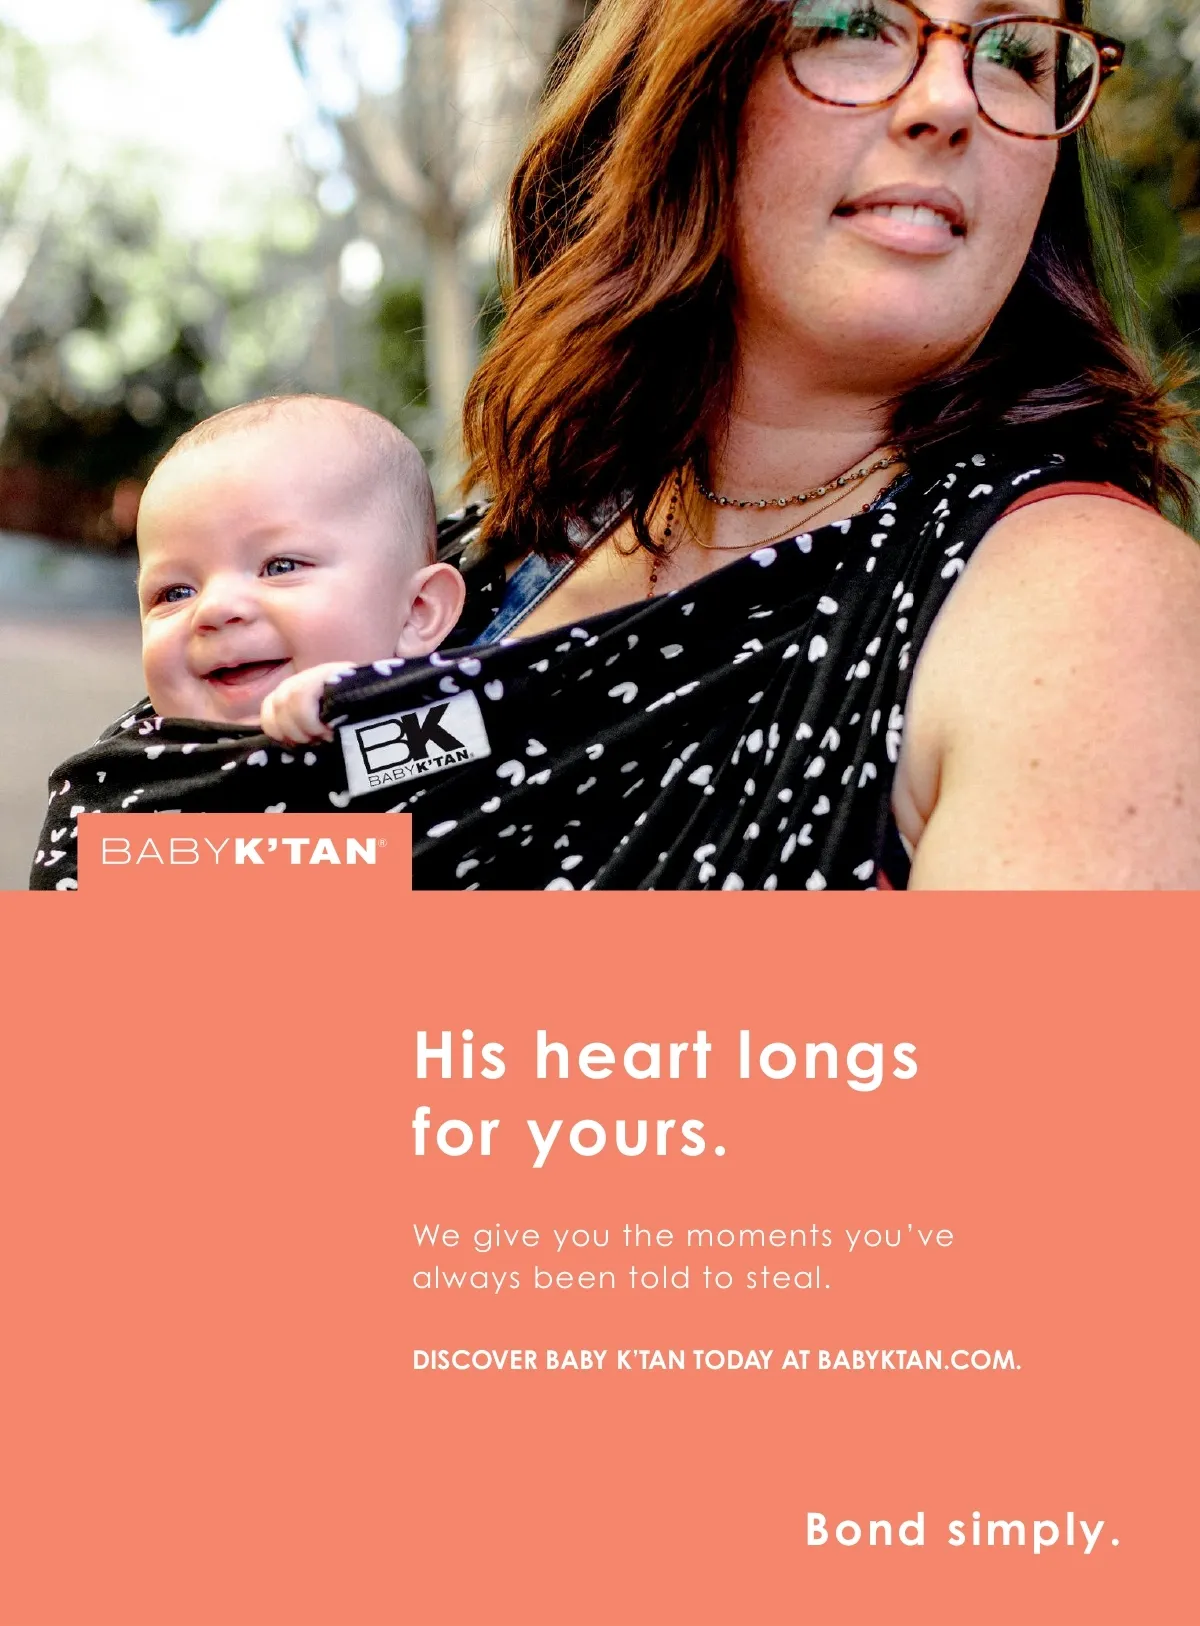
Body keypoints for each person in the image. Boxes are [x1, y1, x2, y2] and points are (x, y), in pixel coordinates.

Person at [30, 0, 1200, 890]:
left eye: (1016, 51)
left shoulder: (1081, 603)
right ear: (679, 76)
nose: (950, 99)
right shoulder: (491, 557)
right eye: (853, 23)